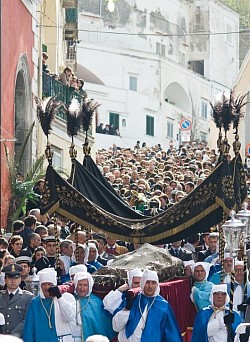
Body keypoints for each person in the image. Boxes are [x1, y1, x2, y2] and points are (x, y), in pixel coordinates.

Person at [112, 269, 182, 342]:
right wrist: (127, 308)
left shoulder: (163, 306)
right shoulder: (132, 299)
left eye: (153, 283)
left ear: (157, 284)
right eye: (147, 282)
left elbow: (172, 335)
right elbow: (116, 327)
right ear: (142, 283)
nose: (150, 286)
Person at [23, 268, 76, 341]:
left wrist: (59, 297)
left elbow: (69, 317)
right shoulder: (35, 303)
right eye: (43, 284)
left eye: (49, 284)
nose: (46, 287)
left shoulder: (67, 297)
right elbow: (29, 328)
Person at [73, 271, 116, 341]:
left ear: (89, 285)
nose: (82, 288)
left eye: (85, 285)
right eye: (80, 285)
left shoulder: (95, 302)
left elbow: (102, 322)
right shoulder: (70, 299)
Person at [0, 263, 33, 337]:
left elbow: (26, 320)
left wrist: (12, 336)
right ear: (5, 279)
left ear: (20, 279)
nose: (13, 281)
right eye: (10, 278)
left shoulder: (27, 297)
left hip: (18, 338)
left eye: (16, 278)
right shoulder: (0, 296)